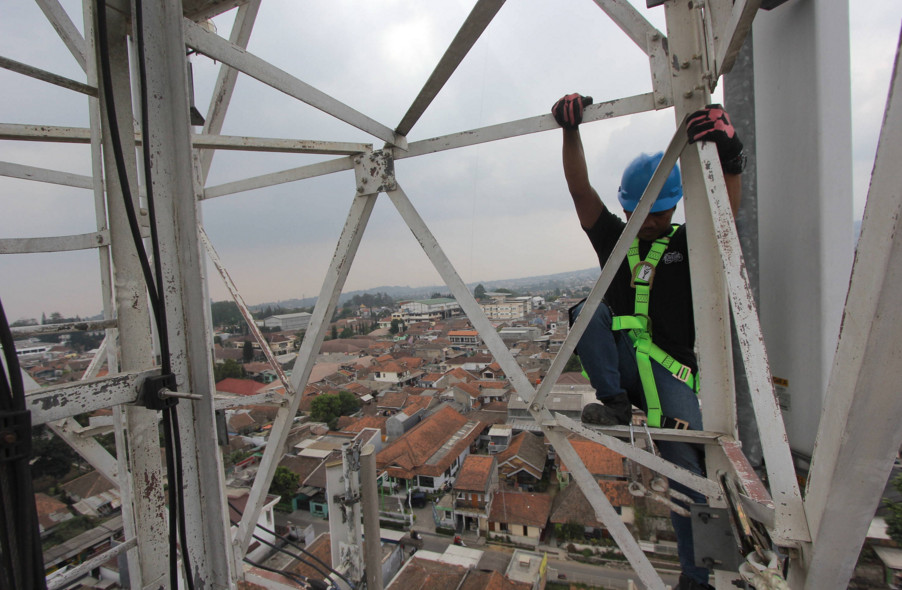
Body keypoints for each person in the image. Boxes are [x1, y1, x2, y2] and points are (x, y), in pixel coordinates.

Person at [551, 93, 745, 590]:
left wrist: (729, 158)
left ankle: (697, 577)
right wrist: (570, 131)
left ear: (674, 206)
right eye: (643, 213)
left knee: (687, 473)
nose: (652, 222)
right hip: (621, 364)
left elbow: (726, 216)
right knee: (586, 310)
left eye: (660, 213)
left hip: (670, 371)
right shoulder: (615, 239)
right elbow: (579, 191)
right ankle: (614, 404)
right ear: (626, 208)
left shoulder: (685, 244)